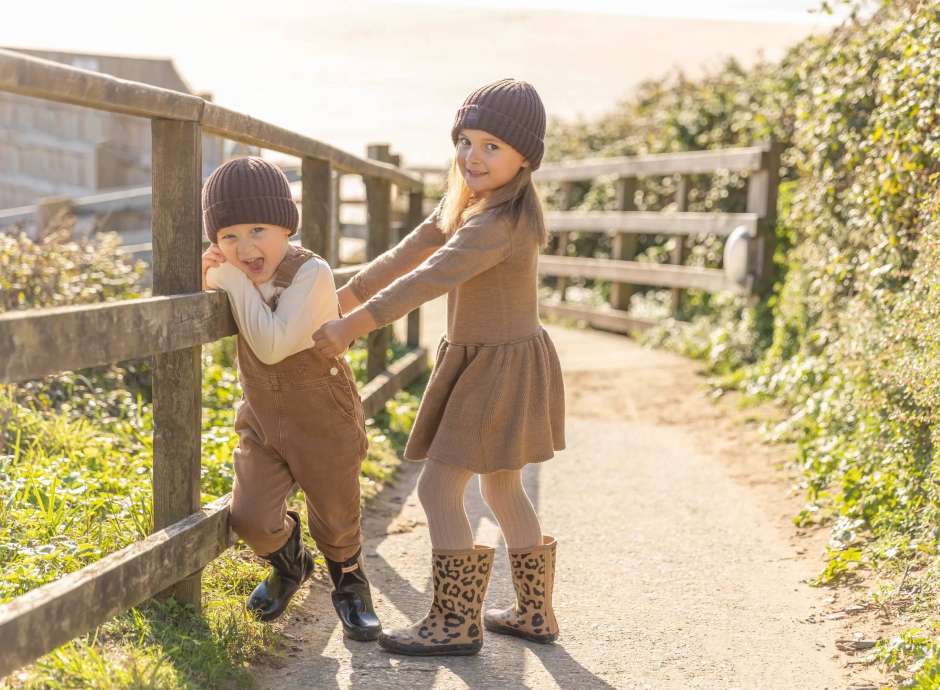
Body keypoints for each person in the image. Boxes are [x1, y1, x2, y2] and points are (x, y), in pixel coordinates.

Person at [314, 79, 565, 655]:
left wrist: (352, 325)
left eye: (492, 147)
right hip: (503, 359)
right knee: (502, 486)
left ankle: (454, 625)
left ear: (525, 158)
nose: (472, 157)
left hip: (495, 370)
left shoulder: (497, 225)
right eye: (465, 141)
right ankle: (534, 612)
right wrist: (345, 297)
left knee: (437, 488)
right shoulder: (474, 203)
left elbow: (430, 277)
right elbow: (414, 248)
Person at [201, 156, 379, 641]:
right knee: (252, 517)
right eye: (228, 237)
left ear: (286, 227)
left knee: (336, 515)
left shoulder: (311, 272)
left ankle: (349, 582)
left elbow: (274, 344)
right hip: (262, 416)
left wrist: (230, 279)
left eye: (259, 228)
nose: (245, 246)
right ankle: (289, 563)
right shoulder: (237, 271)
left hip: (322, 411)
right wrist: (216, 280)